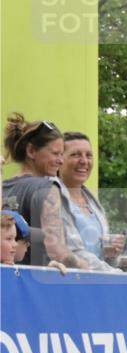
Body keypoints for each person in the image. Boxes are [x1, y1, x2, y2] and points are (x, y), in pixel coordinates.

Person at [56, 133, 127, 281]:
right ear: (60, 160)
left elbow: (103, 260)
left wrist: (111, 253)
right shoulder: (52, 199)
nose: (84, 161)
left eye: (89, 155)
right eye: (75, 154)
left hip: (96, 285)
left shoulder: (94, 203)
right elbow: (75, 254)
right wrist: (126, 276)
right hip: (67, 284)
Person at [2, 114, 86, 269]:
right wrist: (82, 266)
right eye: (55, 153)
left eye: (62, 154)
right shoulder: (47, 189)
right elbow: (56, 249)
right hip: (38, 284)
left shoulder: (3, 187)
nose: (61, 161)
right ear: (32, 151)